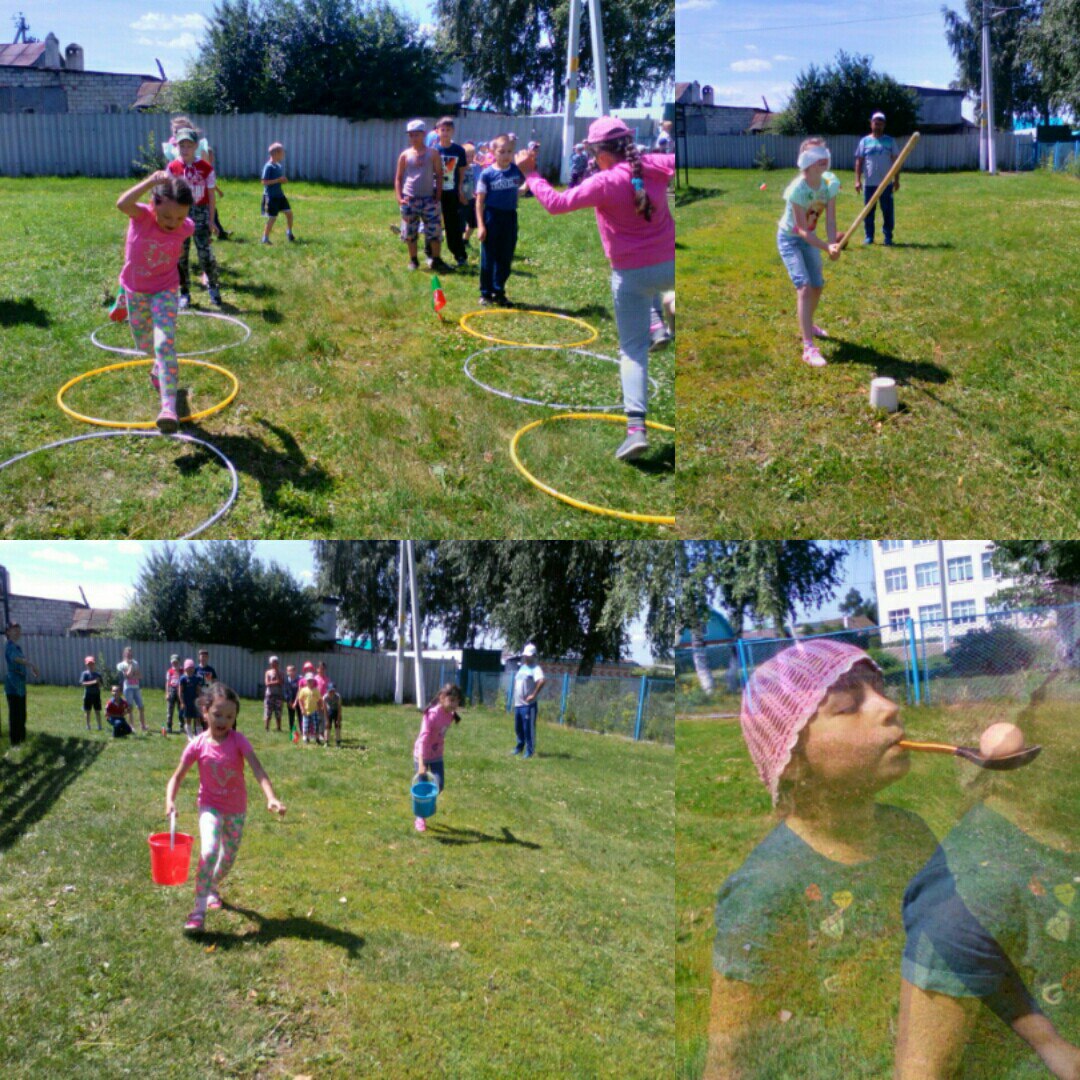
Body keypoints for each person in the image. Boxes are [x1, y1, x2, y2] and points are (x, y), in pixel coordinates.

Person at [705, 639, 938, 1079]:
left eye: (880, 691)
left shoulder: (911, 834)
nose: (889, 708)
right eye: (849, 706)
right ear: (792, 760)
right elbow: (730, 1058)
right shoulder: (765, 889)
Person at [515, 117, 675, 461]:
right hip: (670, 266)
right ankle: (666, 311)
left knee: (632, 350)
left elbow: (556, 204)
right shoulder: (655, 164)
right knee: (663, 290)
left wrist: (531, 173)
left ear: (601, 154)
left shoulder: (603, 182)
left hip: (631, 275)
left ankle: (636, 431)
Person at [165, 683, 285, 932]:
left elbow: (258, 770)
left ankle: (211, 885)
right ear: (205, 712)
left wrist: (271, 797)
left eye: (230, 716)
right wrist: (170, 801)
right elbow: (177, 776)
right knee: (209, 851)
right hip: (210, 807)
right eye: (218, 714)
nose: (223, 721)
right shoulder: (198, 744)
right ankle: (198, 912)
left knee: (227, 859)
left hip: (236, 810)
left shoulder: (238, 741)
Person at [115, 171, 195, 433]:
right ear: (153, 206)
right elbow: (122, 203)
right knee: (145, 344)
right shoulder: (142, 217)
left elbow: (182, 235)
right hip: (136, 291)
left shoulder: (187, 227)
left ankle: (168, 408)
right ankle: (157, 365)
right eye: (167, 216)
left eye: (180, 217)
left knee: (164, 343)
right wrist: (151, 182)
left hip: (165, 290)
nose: (174, 223)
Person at [776, 137, 843, 368]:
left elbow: (830, 220)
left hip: (809, 240)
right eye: (817, 155)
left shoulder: (829, 184)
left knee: (817, 285)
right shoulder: (797, 190)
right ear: (805, 161)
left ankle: (808, 323)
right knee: (804, 286)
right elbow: (802, 230)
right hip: (791, 240)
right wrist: (826, 246)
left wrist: (833, 244)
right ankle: (808, 347)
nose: (823, 158)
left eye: (825, 153)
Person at [167, 128, 222, 309]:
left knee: (205, 253)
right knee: (180, 256)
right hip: (179, 217)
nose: (185, 149)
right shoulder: (173, 167)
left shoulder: (206, 168)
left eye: (189, 145)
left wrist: (211, 220)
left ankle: (213, 287)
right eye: (181, 145)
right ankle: (184, 292)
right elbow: (169, 195)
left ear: (196, 146)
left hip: (201, 214)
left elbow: (211, 195)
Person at [476, 134, 526, 307]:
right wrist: (481, 225)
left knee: (506, 256)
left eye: (510, 151)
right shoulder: (487, 174)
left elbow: (522, 187)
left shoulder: (516, 171)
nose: (506, 155)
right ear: (493, 152)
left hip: (510, 216)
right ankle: (486, 293)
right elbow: (479, 201)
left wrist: (526, 186)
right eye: (502, 151)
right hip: (492, 217)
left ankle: (499, 291)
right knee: (489, 257)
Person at [161, 114, 229, 240]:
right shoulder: (172, 147)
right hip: (181, 195)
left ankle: (215, 229)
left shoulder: (198, 147)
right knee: (182, 234)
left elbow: (207, 173)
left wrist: (215, 189)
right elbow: (170, 174)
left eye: (182, 129)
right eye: (176, 131)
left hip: (199, 194)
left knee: (208, 214)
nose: (179, 133)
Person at [395, 119, 449, 273]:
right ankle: (413, 260)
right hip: (410, 199)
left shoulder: (433, 154)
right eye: (411, 135)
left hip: (429, 199)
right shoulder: (405, 155)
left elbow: (439, 175)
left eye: (416, 135)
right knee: (410, 232)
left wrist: (437, 196)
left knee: (434, 230)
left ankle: (436, 259)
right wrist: (399, 197)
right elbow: (398, 178)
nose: (413, 138)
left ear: (424, 134)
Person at [412, 683, 463, 833]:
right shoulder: (432, 715)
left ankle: (428, 802)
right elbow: (423, 740)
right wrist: (421, 764)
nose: (454, 704)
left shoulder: (450, 715)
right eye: (451, 700)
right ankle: (420, 817)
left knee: (439, 785)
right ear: (441, 698)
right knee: (422, 788)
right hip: (421, 755)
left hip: (436, 755)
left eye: (457, 701)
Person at [855, 112, 899, 246]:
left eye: (880, 123)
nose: (878, 126)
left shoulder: (890, 141)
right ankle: (869, 236)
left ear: (884, 125)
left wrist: (896, 180)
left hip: (886, 183)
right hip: (869, 183)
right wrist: (857, 180)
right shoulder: (864, 141)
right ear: (871, 124)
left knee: (887, 211)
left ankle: (888, 237)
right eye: (875, 123)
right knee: (868, 211)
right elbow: (859, 161)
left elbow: (896, 162)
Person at [432, 117, 469, 267]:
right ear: (437, 131)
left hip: (452, 192)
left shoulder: (459, 150)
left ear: (453, 131)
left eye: (448, 130)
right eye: (442, 130)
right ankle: (432, 254)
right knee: (433, 223)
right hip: (435, 192)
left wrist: (460, 189)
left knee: (453, 225)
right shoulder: (433, 150)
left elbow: (461, 171)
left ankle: (459, 255)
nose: (445, 133)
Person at [4, 623, 38, 746]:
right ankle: (15, 743)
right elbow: (15, 659)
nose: (17, 632)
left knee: (22, 713)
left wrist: (30, 667)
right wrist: (31, 664)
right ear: (8, 632)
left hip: (20, 683)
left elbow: (20, 660)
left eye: (19, 630)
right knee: (15, 713)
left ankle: (22, 740)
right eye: (14, 630)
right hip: (13, 684)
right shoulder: (9, 645)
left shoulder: (17, 647)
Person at [510, 644, 545, 759]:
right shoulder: (522, 668)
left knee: (528, 728)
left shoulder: (536, 669)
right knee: (518, 728)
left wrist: (533, 694)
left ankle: (530, 750)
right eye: (525, 655)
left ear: (534, 656)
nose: (526, 657)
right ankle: (519, 747)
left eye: (529, 655)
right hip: (518, 704)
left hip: (528, 705)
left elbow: (542, 681)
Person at [260, 142, 296, 245]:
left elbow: (278, 180)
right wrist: (278, 180)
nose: (284, 154)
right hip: (270, 197)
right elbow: (264, 181)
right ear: (276, 153)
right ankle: (265, 238)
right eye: (282, 152)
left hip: (280, 195)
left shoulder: (278, 165)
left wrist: (282, 180)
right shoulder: (268, 167)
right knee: (272, 218)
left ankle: (289, 232)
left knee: (289, 213)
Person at [116, 646, 148, 734]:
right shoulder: (121, 665)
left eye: (131, 653)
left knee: (141, 707)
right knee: (130, 707)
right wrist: (130, 666)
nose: (130, 655)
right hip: (128, 688)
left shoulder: (135, 663)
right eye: (128, 654)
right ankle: (131, 726)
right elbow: (128, 675)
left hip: (136, 687)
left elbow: (140, 676)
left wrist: (132, 675)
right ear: (124, 654)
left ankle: (143, 725)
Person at [179, 658, 204, 739]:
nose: (190, 670)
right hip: (187, 702)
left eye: (191, 668)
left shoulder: (196, 678)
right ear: (185, 668)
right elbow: (180, 692)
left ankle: (200, 736)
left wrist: (201, 700)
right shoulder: (183, 679)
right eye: (188, 668)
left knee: (198, 719)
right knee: (188, 719)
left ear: (194, 668)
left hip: (195, 702)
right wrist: (182, 702)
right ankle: (189, 736)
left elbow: (199, 690)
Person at [460, 142, 480, 247]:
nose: (469, 158)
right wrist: (460, 195)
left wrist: (475, 192)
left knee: (473, 222)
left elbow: (475, 182)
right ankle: (458, 242)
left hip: (471, 198)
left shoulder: (473, 168)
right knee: (460, 224)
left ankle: (466, 240)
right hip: (460, 199)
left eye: (471, 156)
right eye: (467, 156)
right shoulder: (458, 168)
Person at [297, 672, 325, 745]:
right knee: (306, 726)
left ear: (313, 681)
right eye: (308, 681)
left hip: (315, 711)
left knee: (316, 725)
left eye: (311, 680)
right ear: (306, 681)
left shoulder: (316, 690)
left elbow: (320, 700)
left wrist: (320, 707)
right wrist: (302, 709)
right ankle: (306, 738)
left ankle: (317, 738)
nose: (310, 682)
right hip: (306, 711)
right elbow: (300, 700)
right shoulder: (303, 690)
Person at [79, 656, 105, 731]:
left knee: (97, 711)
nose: (91, 666)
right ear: (86, 665)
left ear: (94, 664)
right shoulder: (85, 674)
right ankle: (88, 725)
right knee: (88, 711)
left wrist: (98, 682)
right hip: (88, 695)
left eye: (92, 664)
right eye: (89, 664)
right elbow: (82, 683)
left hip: (96, 695)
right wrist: (93, 682)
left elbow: (101, 685)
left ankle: (99, 726)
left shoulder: (98, 674)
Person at [262, 655, 284, 732]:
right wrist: (276, 682)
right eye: (273, 662)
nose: (274, 664)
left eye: (276, 662)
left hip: (278, 695)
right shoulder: (268, 672)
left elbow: (281, 682)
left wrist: (277, 673)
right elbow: (267, 683)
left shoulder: (281, 673)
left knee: (278, 712)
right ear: (270, 663)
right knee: (268, 711)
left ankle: (279, 728)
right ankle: (266, 728)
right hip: (269, 695)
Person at [164, 653, 182, 734]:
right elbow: (167, 683)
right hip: (172, 690)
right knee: (170, 710)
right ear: (171, 662)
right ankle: (169, 726)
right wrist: (167, 693)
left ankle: (182, 726)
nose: (175, 663)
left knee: (181, 709)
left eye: (176, 662)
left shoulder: (182, 671)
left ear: (179, 662)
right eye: (173, 662)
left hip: (180, 690)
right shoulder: (169, 671)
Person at [323, 683, 343, 748]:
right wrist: (327, 720)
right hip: (329, 711)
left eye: (333, 691)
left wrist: (338, 719)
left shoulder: (338, 697)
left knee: (338, 727)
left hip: (336, 711)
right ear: (327, 691)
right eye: (330, 691)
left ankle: (338, 742)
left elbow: (339, 708)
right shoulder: (325, 697)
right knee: (327, 727)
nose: (331, 693)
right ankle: (326, 742)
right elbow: (325, 709)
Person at [284, 663, 301, 739]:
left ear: (295, 671)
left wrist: (296, 702)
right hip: (290, 702)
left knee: (300, 716)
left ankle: (302, 730)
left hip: (298, 701)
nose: (289, 672)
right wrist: (288, 700)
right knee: (291, 716)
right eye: (288, 671)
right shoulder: (286, 680)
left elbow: (300, 691)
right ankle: (292, 730)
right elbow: (285, 691)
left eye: (291, 670)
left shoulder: (299, 680)